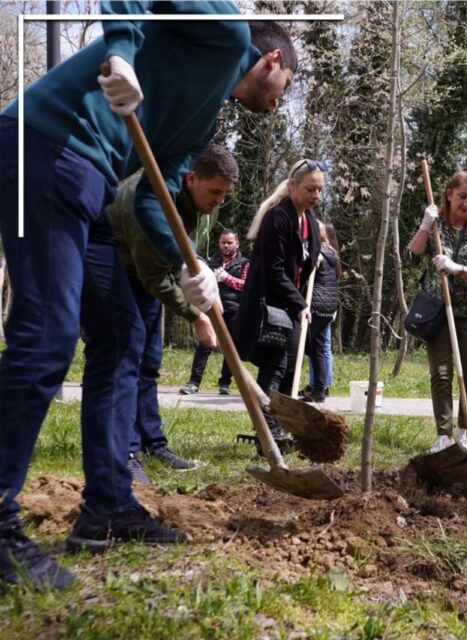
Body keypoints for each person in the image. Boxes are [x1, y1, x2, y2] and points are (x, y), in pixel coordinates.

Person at [0, 2, 297, 589]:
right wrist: (120, 51)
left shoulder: (202, 120)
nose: (280, 100)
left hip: (91, 178)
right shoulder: (224, 29)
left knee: (121, 337)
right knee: (47, 338)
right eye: (287, 84)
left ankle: (107, 507)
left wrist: (193, 271)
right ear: (273, 59)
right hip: (44, 144)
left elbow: (150, 198)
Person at [108, 145, 240, 483]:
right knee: (128, 359)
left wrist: (206, 295)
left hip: (150, 272)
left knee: (149, 362)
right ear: (192, 179)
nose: (219, 202)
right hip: (116, 268)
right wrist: (197, 316)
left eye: (225, 195)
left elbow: (181, 258)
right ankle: (127, 452)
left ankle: (154, 443)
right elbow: (152, 276)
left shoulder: (202, 206)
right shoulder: (152, 201)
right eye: (215, 192)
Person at [234, 159, 323, 451]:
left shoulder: (309, 220)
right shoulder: (277, 217)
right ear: (293, 186)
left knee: (291, 365)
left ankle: (282, 426)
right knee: (275, 363)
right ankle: (267, 431)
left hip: (293, 305)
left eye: (320, 190)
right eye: (310, 189)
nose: (316, 195)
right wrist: (298, 303)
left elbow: (305, 262)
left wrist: (313, 259)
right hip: (269, 304)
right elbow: (273, 270)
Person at [408, 168, 467, 452]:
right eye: (462, 196)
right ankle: (443, 436)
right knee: (441, 374)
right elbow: (413, 255)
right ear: (449, 194)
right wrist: (424, 225)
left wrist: (456, 268)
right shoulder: (436, 226)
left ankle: (463, 431)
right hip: (439, 311)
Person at [180, 228, 250, 397]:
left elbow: (247, 286)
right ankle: (194, 382)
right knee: (204, 346)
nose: (226, 246)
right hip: (213, 309)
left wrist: (228, 279)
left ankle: (225, 383)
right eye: (223, 242)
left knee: (230, 349)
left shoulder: (245, 263)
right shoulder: (211, 263)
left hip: (234, 310)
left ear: (237, 243)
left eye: (229, 242)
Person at [300, 221, 341, 403]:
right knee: (316, 347)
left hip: (316, 304)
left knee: (303, 345)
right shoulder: (331, 252)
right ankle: (319, 390)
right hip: (329, 307)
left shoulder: (318, 252)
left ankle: (291, 385)